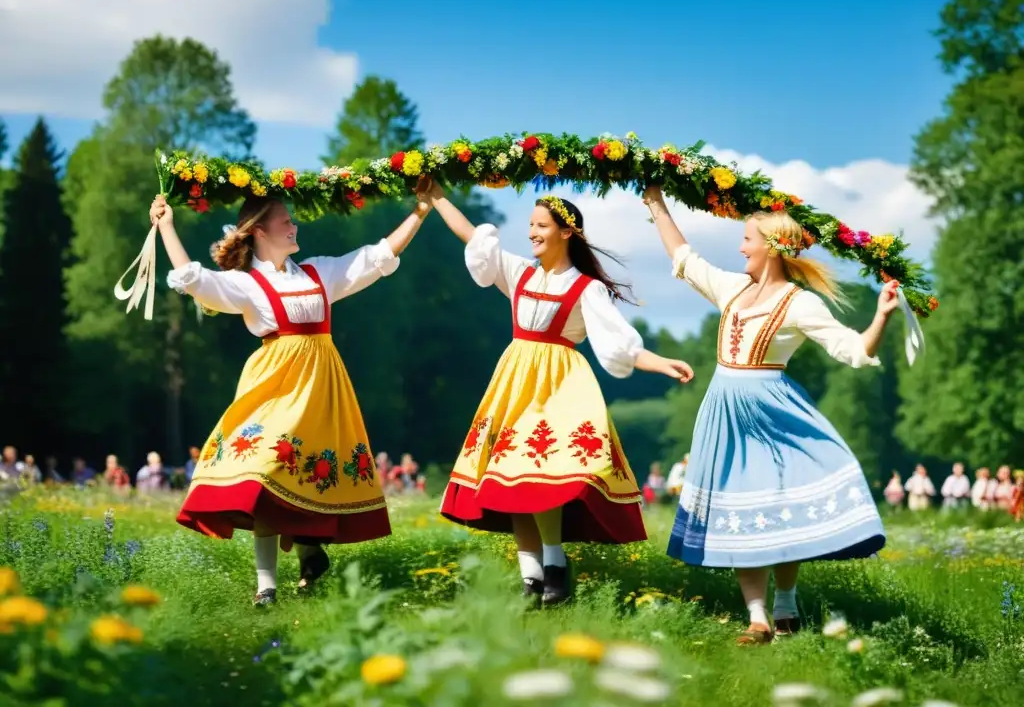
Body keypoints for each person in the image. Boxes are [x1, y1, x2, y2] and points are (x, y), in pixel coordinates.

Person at [150, 188, 431, 605]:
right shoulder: (248, 284)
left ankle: (308, 549)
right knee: (265, 470)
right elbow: (198, 282)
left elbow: (375, 257)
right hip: (275, 390)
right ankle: (267, 584)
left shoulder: (319, 273)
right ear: (260, 231)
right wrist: (167, 228)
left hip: (321, 392)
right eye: (285, 221)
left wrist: (420, 211)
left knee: (305, 470)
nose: (294, 225)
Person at [642, 184, 894, 646]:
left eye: (747, 239)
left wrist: (881, 316)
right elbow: (683, 257)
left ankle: (785, 603)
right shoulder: (733, 288)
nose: (741, 247)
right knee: (743, 506)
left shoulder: (800, 302)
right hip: (724, 410)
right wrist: (656, 202)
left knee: (779, 504)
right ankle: (757, 617)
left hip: (772, 410)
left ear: (772, 248)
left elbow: (853, 349)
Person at [424, 179, 693, 606]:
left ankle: (554, 564)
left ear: (566, 232)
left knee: (540, 476)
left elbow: (619, 342)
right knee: (510, 479)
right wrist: (436, 197)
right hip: (514, 385)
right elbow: (472, 235)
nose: (531, 232)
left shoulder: (587, 288)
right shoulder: (518, 272)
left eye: (541, 225)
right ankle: (531, 578)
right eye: (530, 224)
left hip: (558, 389)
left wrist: (661, 363)